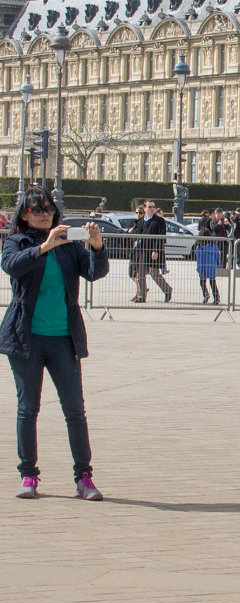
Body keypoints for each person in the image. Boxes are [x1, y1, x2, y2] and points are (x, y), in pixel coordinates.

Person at [1, 186, 110, 501]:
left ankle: (84, 477)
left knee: (75, 410)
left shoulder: (67, 244)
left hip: (63, 339)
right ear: (25, 214)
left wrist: (97, 247)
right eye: (37, 209)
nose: (45, 213)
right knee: (28, 408)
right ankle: (28, 476)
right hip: (26, 339)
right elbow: (11, 265)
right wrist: (44, 246)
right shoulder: (16, 242)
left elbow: (93, 273)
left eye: (49, 208)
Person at [132, 200, 172, 303]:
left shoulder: (159, 221)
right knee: (140, 273)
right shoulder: (141, 221)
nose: (152, 209)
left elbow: (160, 237)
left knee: (154, 273)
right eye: (150, 207)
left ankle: (167, 290)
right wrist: (134, 225)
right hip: (142, 250)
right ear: (145, 208)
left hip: (153, 250)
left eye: (153, 207)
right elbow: (136, 234)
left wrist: (156, 250)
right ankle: (141, 296)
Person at [195, 210, 221, 305]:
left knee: (202, 282)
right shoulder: (213, 245)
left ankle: (205, 293)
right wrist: (219, 265)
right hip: (212, 266)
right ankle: (217, 297)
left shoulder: (199, 247)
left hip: (203, 267)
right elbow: (218, 256)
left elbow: (199, 259)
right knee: (213, 282)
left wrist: (199, 268)